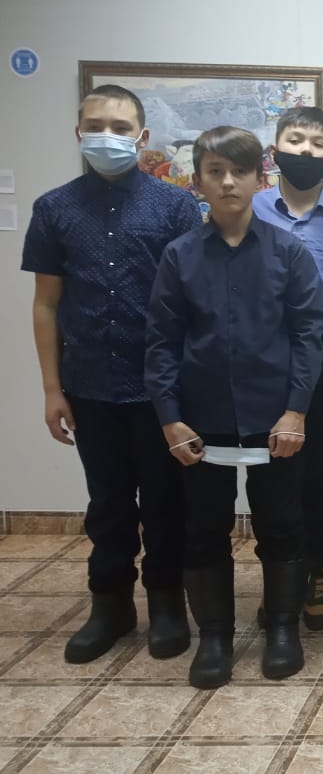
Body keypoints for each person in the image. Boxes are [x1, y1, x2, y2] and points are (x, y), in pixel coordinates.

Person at [21, 85, 202, 665]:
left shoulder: (174, 206)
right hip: (89, 383)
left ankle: (167, 602)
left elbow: (191, 302)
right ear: (78, 132)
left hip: (161, 388)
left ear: (142, 137)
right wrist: (51, 389)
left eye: (120, 128)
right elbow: (46, 303)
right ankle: (111, 603)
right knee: (108, 501)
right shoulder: (53, 208)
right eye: (95, 125)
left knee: (166, 501)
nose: (108, 136)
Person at [146, 126, 323, 688]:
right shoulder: (179, 256)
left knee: (282, 525)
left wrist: (296, 410)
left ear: (258, 178)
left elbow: (308, 336)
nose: (228, 182)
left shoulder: (288, 252)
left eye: (240, 171)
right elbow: (161, 342)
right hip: (200, 421)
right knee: (204, 529)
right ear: (197, 180)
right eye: (215, 171)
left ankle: (282, 630)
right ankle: (215, 638)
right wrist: (170, 417)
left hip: (276, 418)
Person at [252, 106, 323, 631]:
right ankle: (279, 577)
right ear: (274, 151)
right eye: (295, 139)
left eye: (317, 143)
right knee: (268, 477)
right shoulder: (249, 210)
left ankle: (320, 571)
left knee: (319, 476)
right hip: (259, 361)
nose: (305, 150)